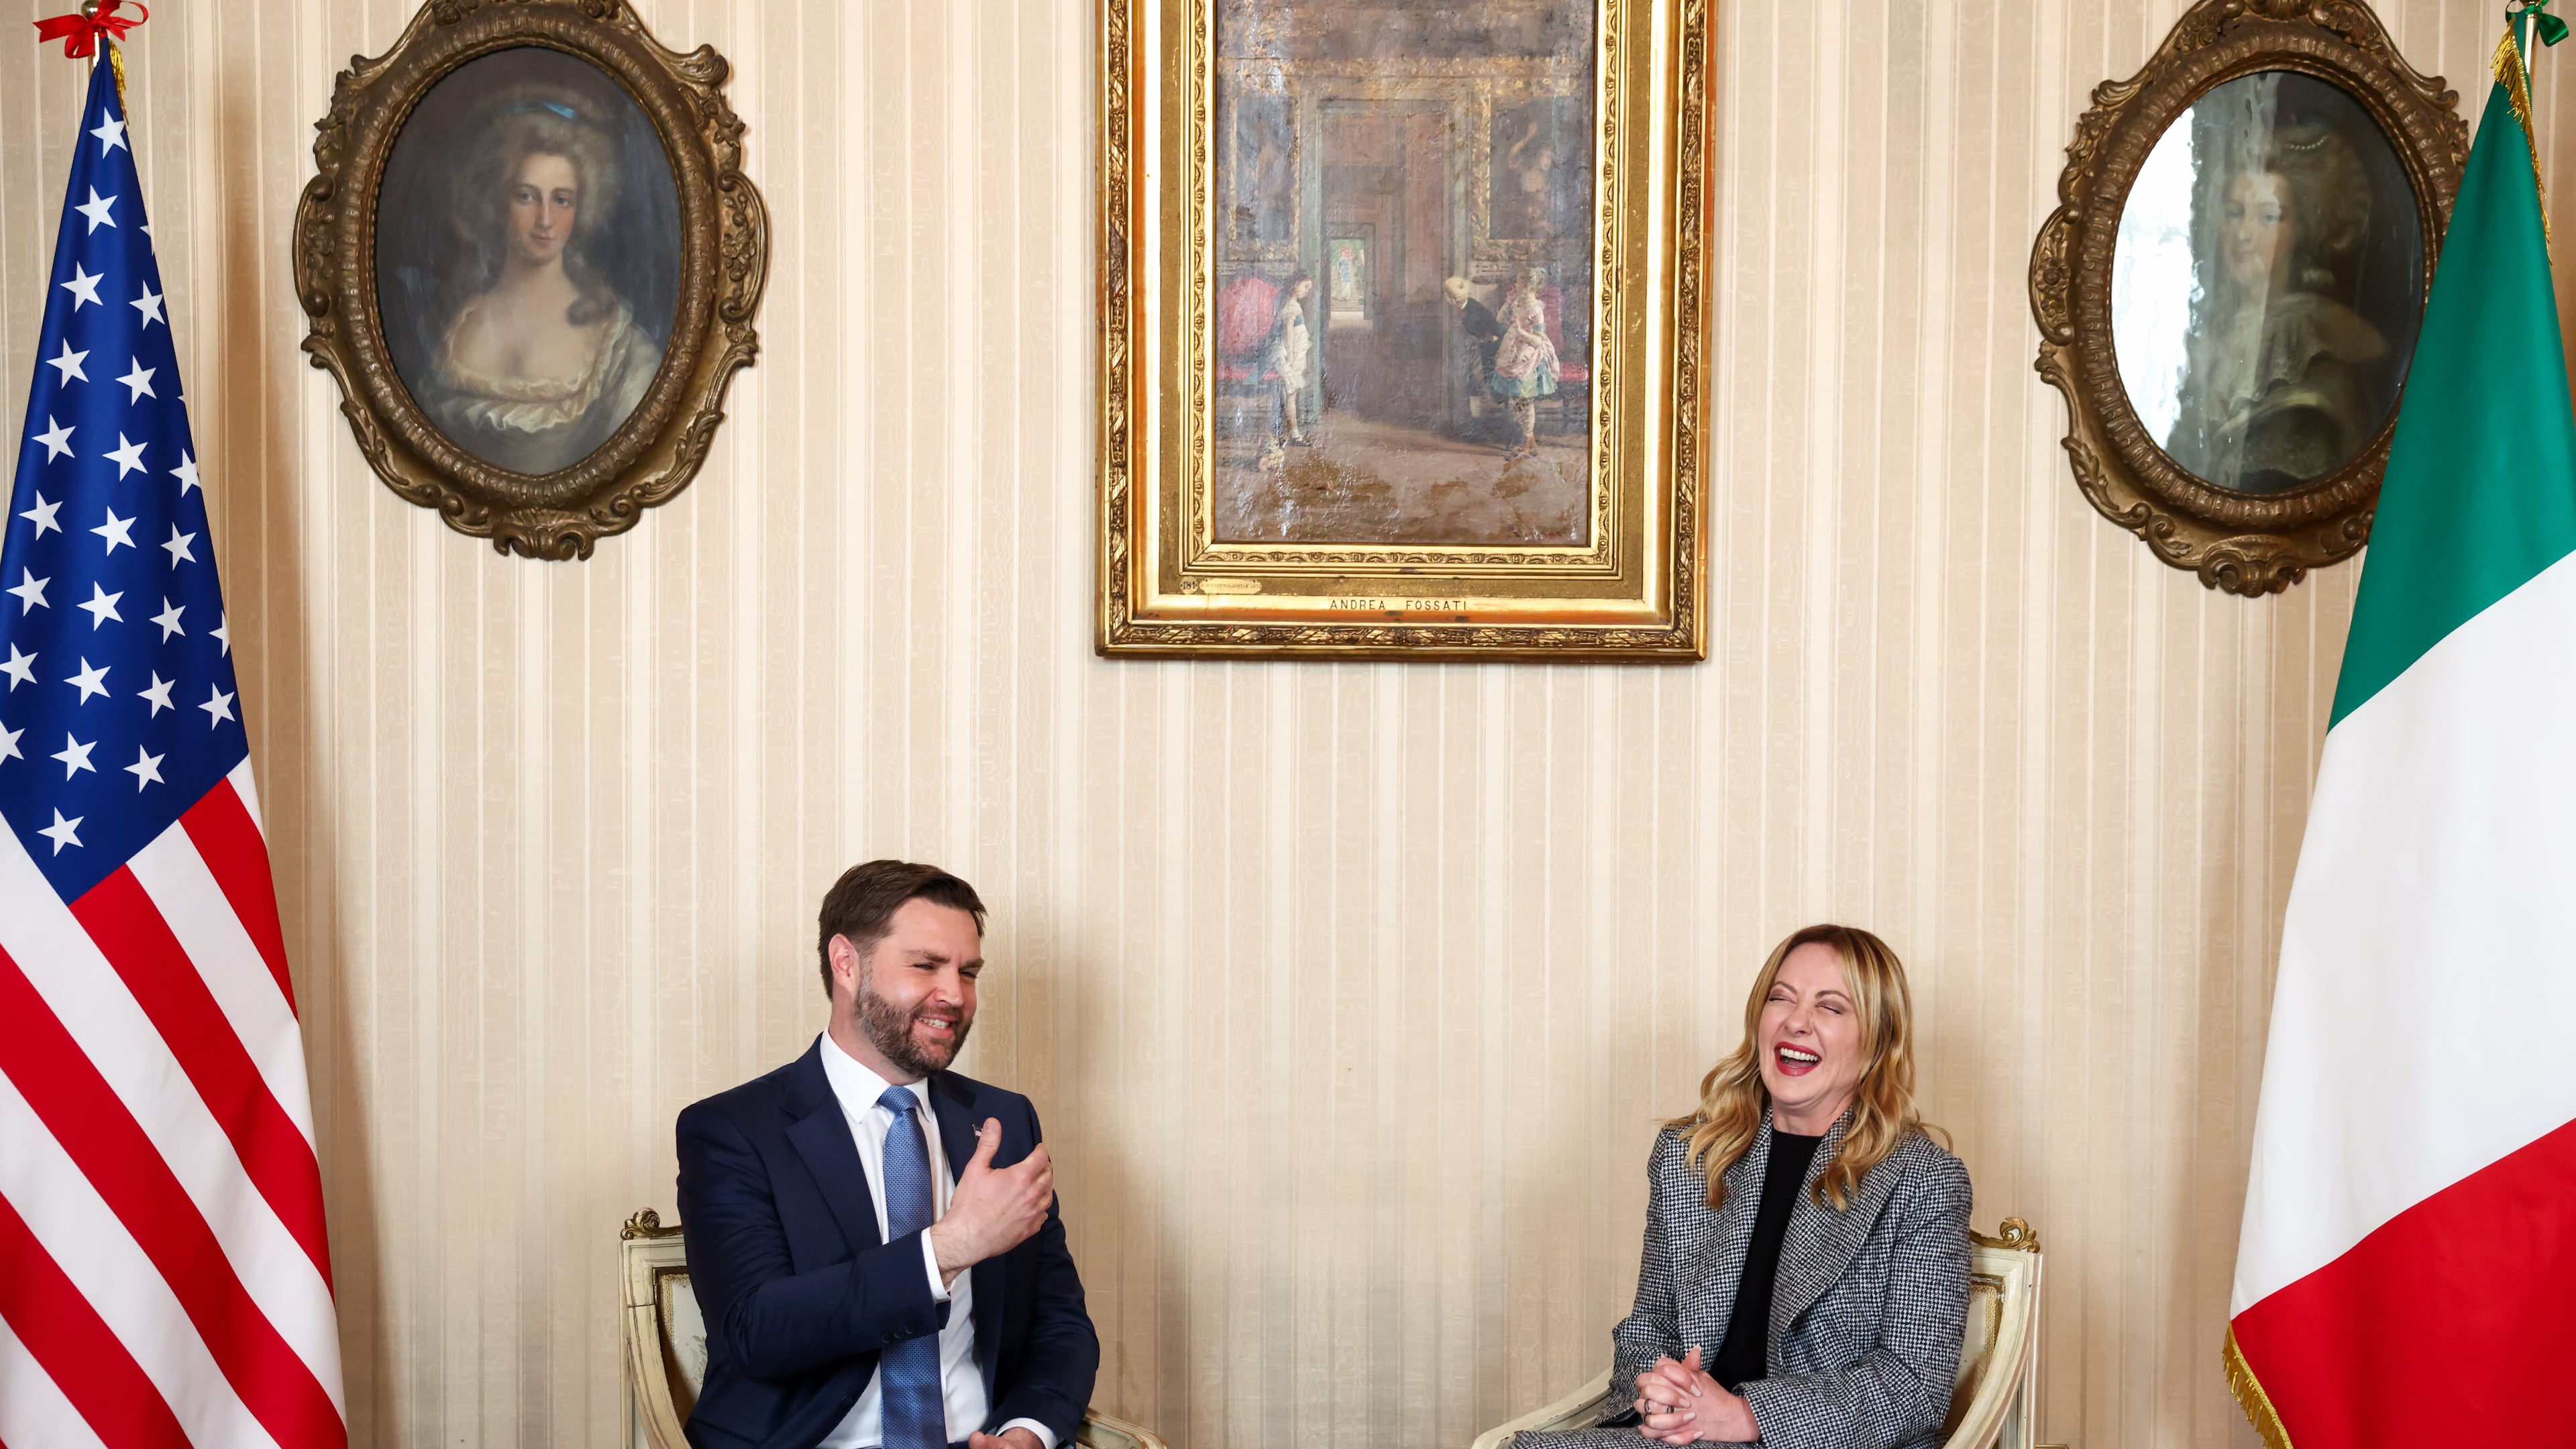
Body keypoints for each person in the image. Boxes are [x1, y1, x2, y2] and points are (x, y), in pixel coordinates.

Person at [676, 862, 1099, 1449]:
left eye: (968, 972)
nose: (954, 995)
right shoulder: (731, 1130)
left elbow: (1060, 1322)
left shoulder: (1005, 1121)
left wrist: (1027, 1433)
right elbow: (755, 1330)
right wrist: (948, 1249)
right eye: (926, 965)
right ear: (846, 963)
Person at [1513, 925, 1970, 1449]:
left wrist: (1749, 1416)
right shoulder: (1690, 1156)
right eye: (1781, 998)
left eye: (1831, 1008)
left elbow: (1914, 1386)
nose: (1797, 1022)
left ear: (1877, 1041)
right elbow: (1651, 1326)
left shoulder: (1923, 1180)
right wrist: (1658, 1391)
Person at [423, 97, 665, 475]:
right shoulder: (456, 326)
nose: (545, 220)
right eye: (526, 196)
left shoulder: (619, 348)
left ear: (582, 208)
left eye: (562, 200)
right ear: (497, 201)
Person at [2164, 123, 2391, 494]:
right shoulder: (2209, 331)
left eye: (2268, 217)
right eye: (2235, 213)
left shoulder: (2315, 339)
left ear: (2301, 230)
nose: (2245, 234)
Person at [1491, 267, 1561, 461]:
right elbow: (1498, 321)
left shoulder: (1536, 309)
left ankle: (1525, 441)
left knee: (1524, 400)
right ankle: (1528, 440)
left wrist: (1521, 332)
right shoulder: (1518, 302)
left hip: (1527, 356)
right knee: (1515, 400)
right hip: (1511, 352)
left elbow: (1538, 340)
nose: (1517, 285)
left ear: (1530, 286)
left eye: (1520, 282)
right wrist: (1507, 303)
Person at [1444, 276, 1504, 415]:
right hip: (1476, 348)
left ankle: (1491, 412)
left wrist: (1489, 339)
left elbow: (1497, 330)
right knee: (1473, 381)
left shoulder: (1475, 310)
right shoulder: (1462, 307)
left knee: (1484, 379)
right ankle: (1477, 418)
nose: (1445, 296)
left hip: (1488, 349)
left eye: (1446, 294)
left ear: (1453, 299)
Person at [1268, 272, 1315, 446]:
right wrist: (1290, 356)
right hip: (1291, 357)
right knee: (1291, 396)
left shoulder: (1293, 305)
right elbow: (1288, 333)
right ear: (1296, 284)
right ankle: (1294, 435)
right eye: (1305, 287)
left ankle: (1290, 434)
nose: (1307, 291)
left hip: (1295, 356)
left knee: (1290, 396)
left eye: (1309, 289)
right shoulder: (1291, 307)